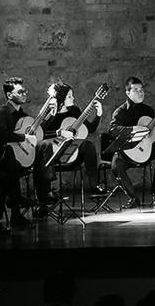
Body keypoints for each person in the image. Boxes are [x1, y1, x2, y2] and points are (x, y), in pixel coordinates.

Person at [33, 82, 103, 217]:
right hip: (52, 156)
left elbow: (91, 129)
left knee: (88, 145)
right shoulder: (49, 113)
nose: (73, 98)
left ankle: (94, 185)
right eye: (70, 96)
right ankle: (46, 197)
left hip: (72, 153)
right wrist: (59, 133)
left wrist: (98, 114)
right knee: (45, 148)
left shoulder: (75, 111)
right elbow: (40, 134)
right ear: (61, 98)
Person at [109, 77, 155, 209]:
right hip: (127, 153)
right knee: (116, 165)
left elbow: (153, 130)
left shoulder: (148, 110)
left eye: (141, 89)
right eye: (136, 90)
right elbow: (112, 130)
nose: (140, 92)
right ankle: (133, 198)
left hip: (146, 149)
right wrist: (132, 129)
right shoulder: (120, 112)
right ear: (127, 93)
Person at [0, 77, 37, 230]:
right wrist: (23, 137)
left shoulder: (23, 115)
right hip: (1, 157)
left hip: (15, 160)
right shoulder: (2, 112)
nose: (24, 94)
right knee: (9, 159)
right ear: (9, 95)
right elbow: (1, 135)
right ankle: (16, 207)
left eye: (24, 91)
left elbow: (35, 133)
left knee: (39, 151)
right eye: (20, 91)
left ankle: (40, 199)